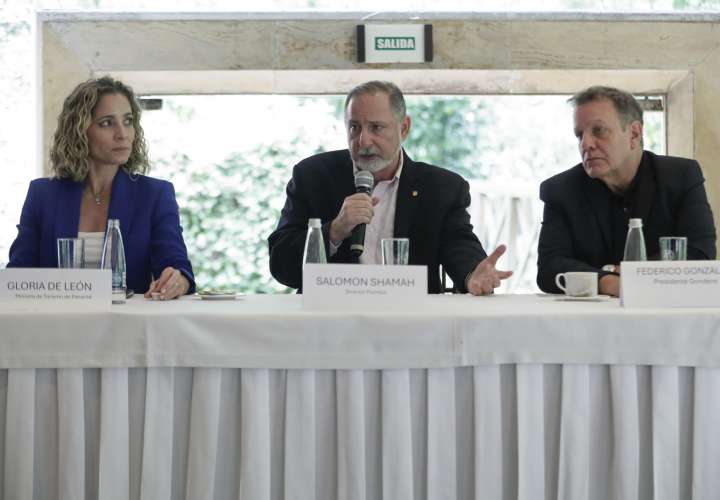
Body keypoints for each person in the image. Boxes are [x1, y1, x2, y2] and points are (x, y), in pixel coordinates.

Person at [268, 80, 511, 294]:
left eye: (376, 127)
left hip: (411, 327)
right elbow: (281, 266)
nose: (363, 140)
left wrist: (472, 275)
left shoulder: (442, 188)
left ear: (403, 128)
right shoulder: (313, 176)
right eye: (354, 127)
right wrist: (334, 231)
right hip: (329, 326)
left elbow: (459, 246)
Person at [8, 76, 195, 300]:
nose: (122, 133)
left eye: (127, 121)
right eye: (107, 123)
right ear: (79, 131)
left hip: (126, 328)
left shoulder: (155, 194)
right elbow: (17, 276)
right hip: (54, 328)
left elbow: (177, 266)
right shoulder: (42, 194)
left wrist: (178, 280)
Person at [537, 86, 716, 296]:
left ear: (634, 133)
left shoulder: (681, 176)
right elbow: (549, 269)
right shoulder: (560, 190)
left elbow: (699, 255)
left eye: (599, 131)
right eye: (579, 135)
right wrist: (609, 283)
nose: (586, 144)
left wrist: (626, 275)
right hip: (588, 322)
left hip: (664, 313)